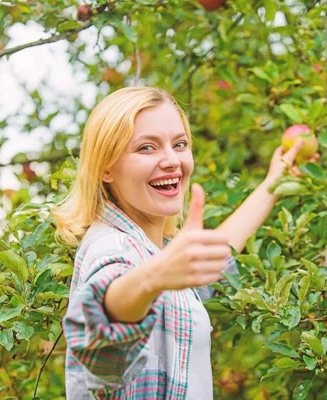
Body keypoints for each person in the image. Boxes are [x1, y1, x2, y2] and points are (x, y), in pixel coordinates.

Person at [52, 86, 310, 399]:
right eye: (147, 148)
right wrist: (152, 278)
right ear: (106, 167)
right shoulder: (113, 246)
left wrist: (273, 184)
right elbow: (103, 313)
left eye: (180, 144)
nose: (172, 160)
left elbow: (215, 255)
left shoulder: (154, 248)